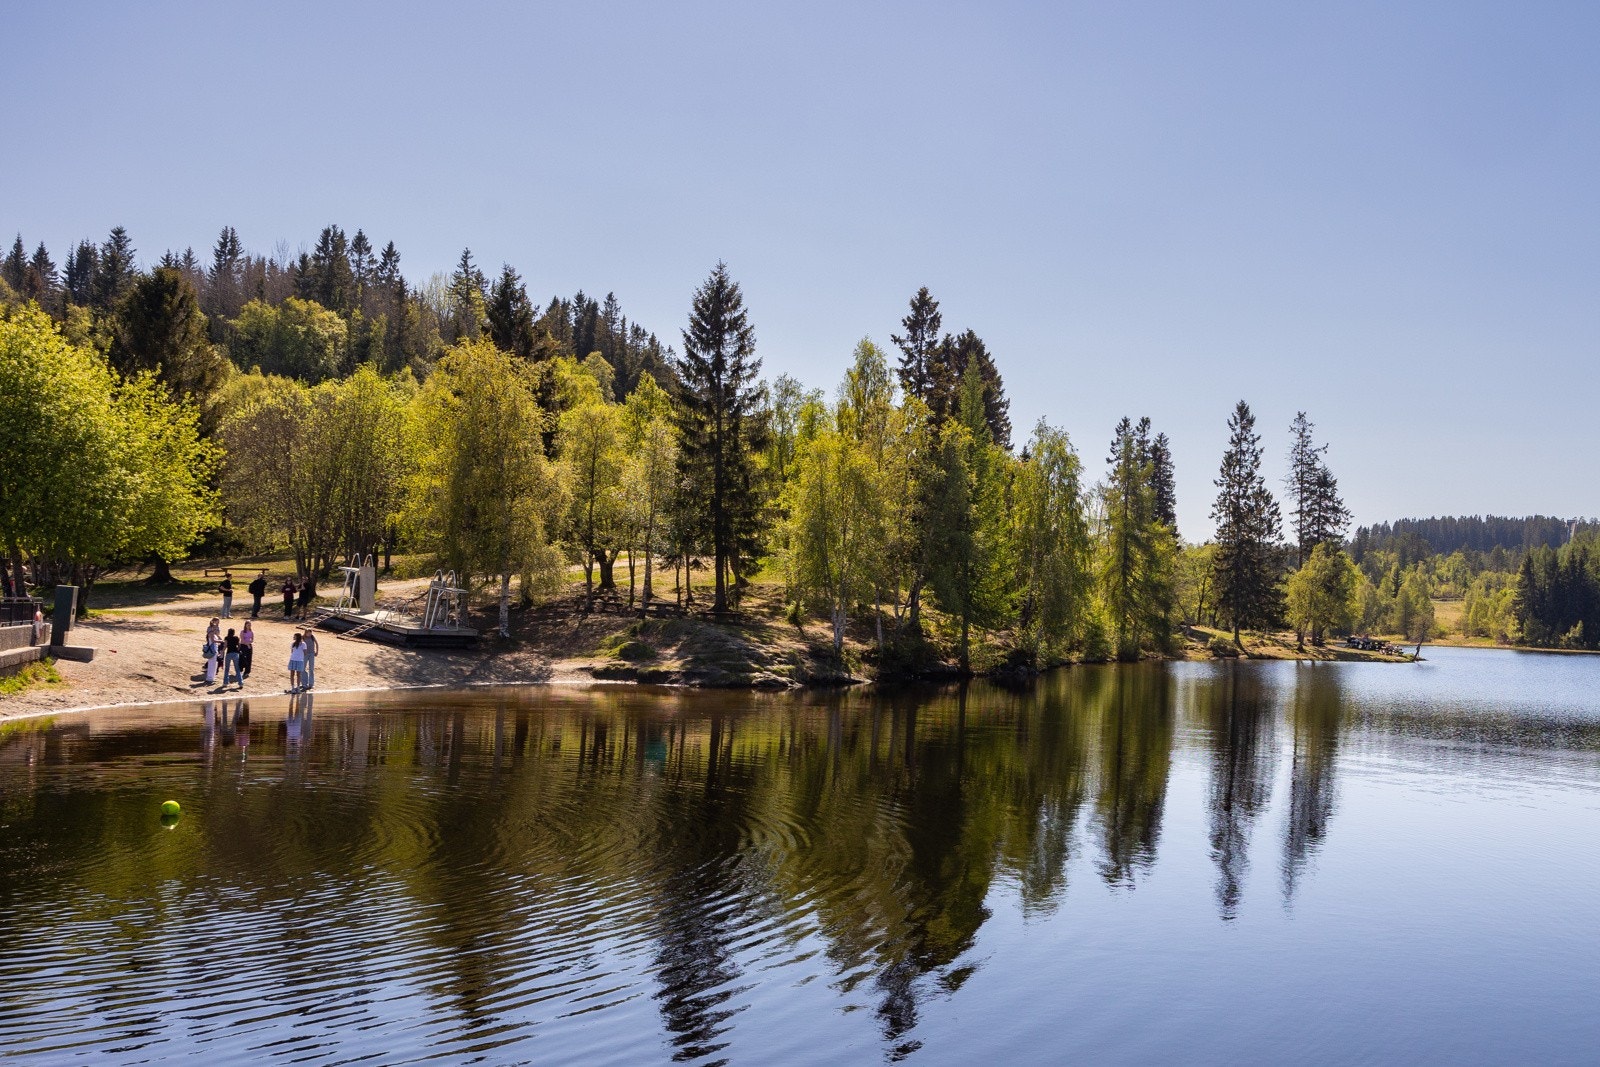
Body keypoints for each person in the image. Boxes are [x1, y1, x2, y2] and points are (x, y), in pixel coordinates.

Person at [204, 617, 221, 684]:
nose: (216, 629)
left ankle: (211, 677)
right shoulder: (211, 632)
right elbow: (213, 640)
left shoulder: (213, 632)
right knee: (212, 663)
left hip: (214, 648)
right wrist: (221, 641)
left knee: (213, 663)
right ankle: (210, 678)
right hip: (212, 649)